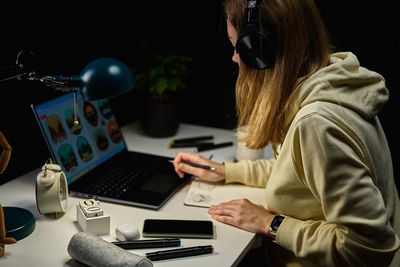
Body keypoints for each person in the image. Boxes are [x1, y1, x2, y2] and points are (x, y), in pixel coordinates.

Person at [171, 0, 400, 266]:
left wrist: (271, 223)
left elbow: (370, 246)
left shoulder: (317, 124)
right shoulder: (333, 84)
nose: (234, 58)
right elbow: (296, 172)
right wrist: (227, 172)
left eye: (237, 47)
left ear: (261, 51)